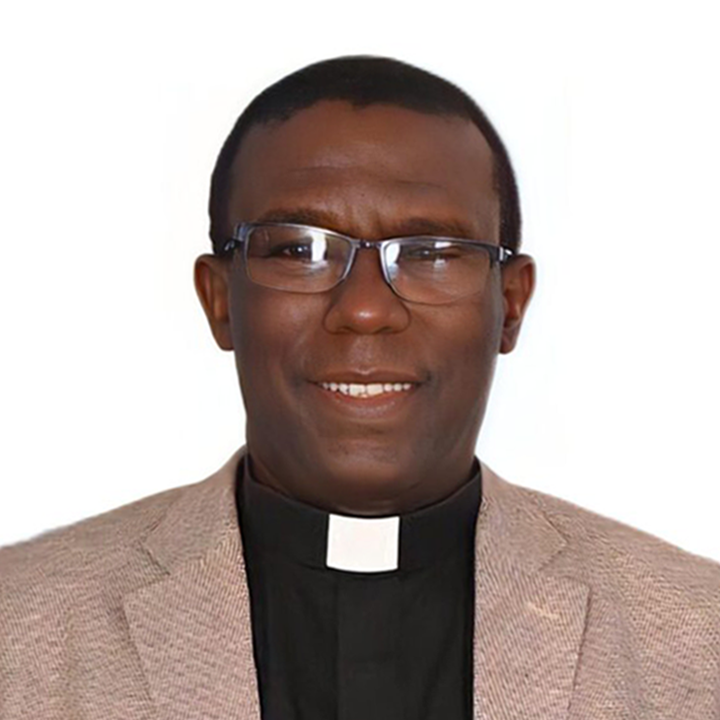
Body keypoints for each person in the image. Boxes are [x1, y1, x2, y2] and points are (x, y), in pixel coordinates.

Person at [1, 55, 719, 720]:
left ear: (510, 304)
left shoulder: (696, 637)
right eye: (301, 249)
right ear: (221, 301)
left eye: (431, 252)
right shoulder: (20, 626)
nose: (367, 309)